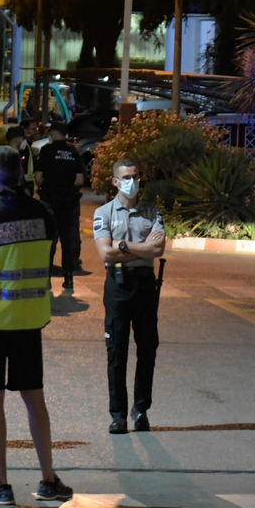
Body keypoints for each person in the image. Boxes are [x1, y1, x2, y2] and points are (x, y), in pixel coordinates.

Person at [0, 145, 73, 506]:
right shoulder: (44, 214)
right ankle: (48, 480)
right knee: (33, 398)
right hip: (28, 321)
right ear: (22, 176)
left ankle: (1, 485)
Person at [92, 159, 166, 434]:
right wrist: (141, 248)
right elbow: (106, 253)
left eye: (135, 176)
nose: (131, 181)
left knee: (147, 349)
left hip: (145, 286)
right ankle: (118, 415)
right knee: (116, 352)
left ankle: (141, 410)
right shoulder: (104, 212)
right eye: (125, 177)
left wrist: (122, 244)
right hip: (118, 285)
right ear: (114, 181)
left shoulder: (151, 212)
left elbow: (158, 248)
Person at [36, 123, 86, 289]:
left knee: (49, 240)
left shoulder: (46, 151)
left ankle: (46, 278)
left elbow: (38, 177)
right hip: (68, 202)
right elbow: (79, 180)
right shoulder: (73, 152)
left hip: (50, 201)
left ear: (53, 133)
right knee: (67, 241)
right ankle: (68, 278)